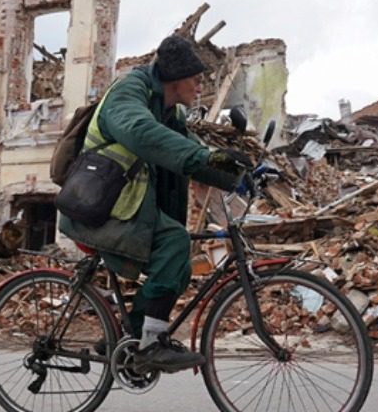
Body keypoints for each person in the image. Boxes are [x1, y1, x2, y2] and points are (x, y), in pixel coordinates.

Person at [58, 34, 247, 372]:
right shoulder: (129, 94)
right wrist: (207, 155)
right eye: (196, 78)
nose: (200, 85)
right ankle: (150, 346)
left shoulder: (166, 108)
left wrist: (236, 174)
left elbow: (186, 147)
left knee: (180, 264)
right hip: (97, 207)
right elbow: (142, 132)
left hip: (123, 206)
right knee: (174, 241)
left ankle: (126, 337)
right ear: (175, 78)